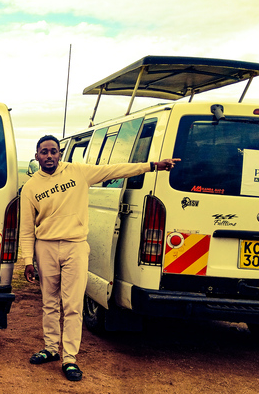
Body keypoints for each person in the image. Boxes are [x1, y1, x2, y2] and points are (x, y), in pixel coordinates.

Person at [19, 134, 179, 381]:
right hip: (46, 247)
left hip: (75, 246)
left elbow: (112, 169)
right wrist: (27, 259)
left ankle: (69, 358)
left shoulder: (79, 172)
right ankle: (51, 349)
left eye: (53, 151)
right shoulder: (30, 187)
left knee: (72, 305)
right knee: (49, 302)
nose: (49, 156)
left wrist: (152, 166)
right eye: (44, 152)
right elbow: (27, 227)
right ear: (36, 155)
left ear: (60, 153)